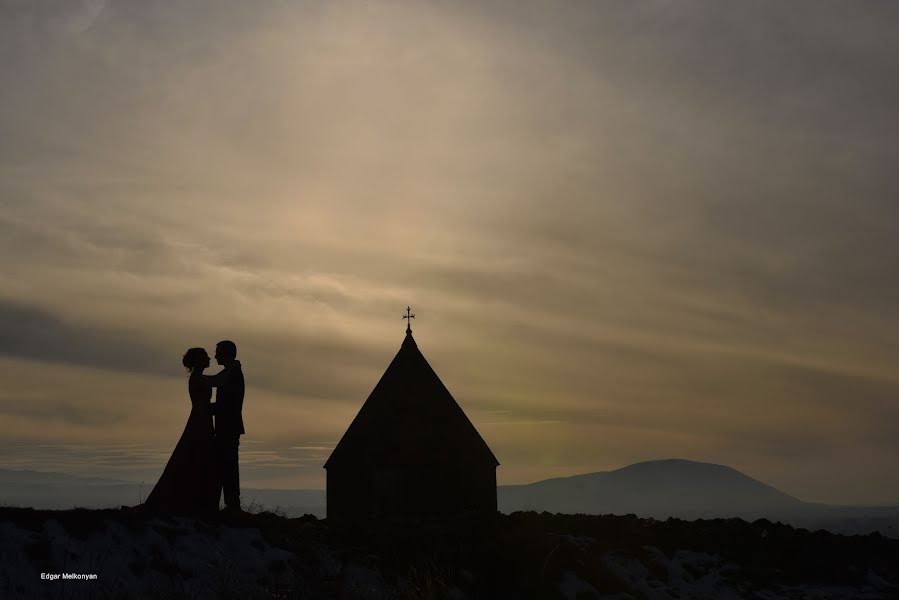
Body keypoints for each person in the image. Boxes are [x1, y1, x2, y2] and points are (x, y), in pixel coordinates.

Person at [141, 348, 220, 515]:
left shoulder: (200, 378)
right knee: (195, 456)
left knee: (194, 456)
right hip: (200, 421)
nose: (209, 358)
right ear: (199, 361)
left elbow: (216, 381)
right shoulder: (198, 380)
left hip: (201, 420)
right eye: (206, 356)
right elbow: (217, 385)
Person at [205, 340, 245, 512]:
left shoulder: (232, 372)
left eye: (218, 353)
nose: (215, 356)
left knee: (227, 465)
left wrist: (197, 376)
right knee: (225, 465)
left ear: (227, 353)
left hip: (228, 427)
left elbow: (215, 382)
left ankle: (232, 504)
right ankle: (228, 503)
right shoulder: (230, 371)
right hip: (226, 426)